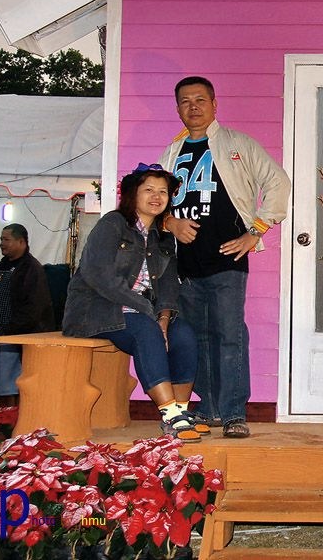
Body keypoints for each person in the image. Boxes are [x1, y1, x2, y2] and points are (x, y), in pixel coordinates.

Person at [159, 76, 291, 439]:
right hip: (185, 265)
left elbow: (278, 182)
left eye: (200, 100)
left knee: (229, 335)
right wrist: (170, 222)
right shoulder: (170, 153)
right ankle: (210, 408)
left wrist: (256, 230)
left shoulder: (237, 144)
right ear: (178, 108)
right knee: (197, 338)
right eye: (185, 101)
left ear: (215, 104)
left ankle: (234, 413)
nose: (193, 107)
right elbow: (151, 200)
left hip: (227, 260)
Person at [62, 164, 204, 442]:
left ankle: (181, 411)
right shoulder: (113, 224)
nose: (157, 196)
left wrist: (164, 318)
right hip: (99, 311)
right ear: (132, 193)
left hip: (144, 314)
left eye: (163, 191)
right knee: (145, 331)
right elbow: (98, 275)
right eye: (149, 189)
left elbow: (168, 286)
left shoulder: (163, 237)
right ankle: (170, 414)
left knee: (184, 334)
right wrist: (147, 312)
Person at [0, 224, 53, 403]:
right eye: (1, 239)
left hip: (14, 338)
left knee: (10, 386)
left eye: (6, 239)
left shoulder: (31, 269)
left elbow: (34, 307)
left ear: (21, 242)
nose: (2, 243)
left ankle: (12, 418)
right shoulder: (2, 265)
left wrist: (12, 329)